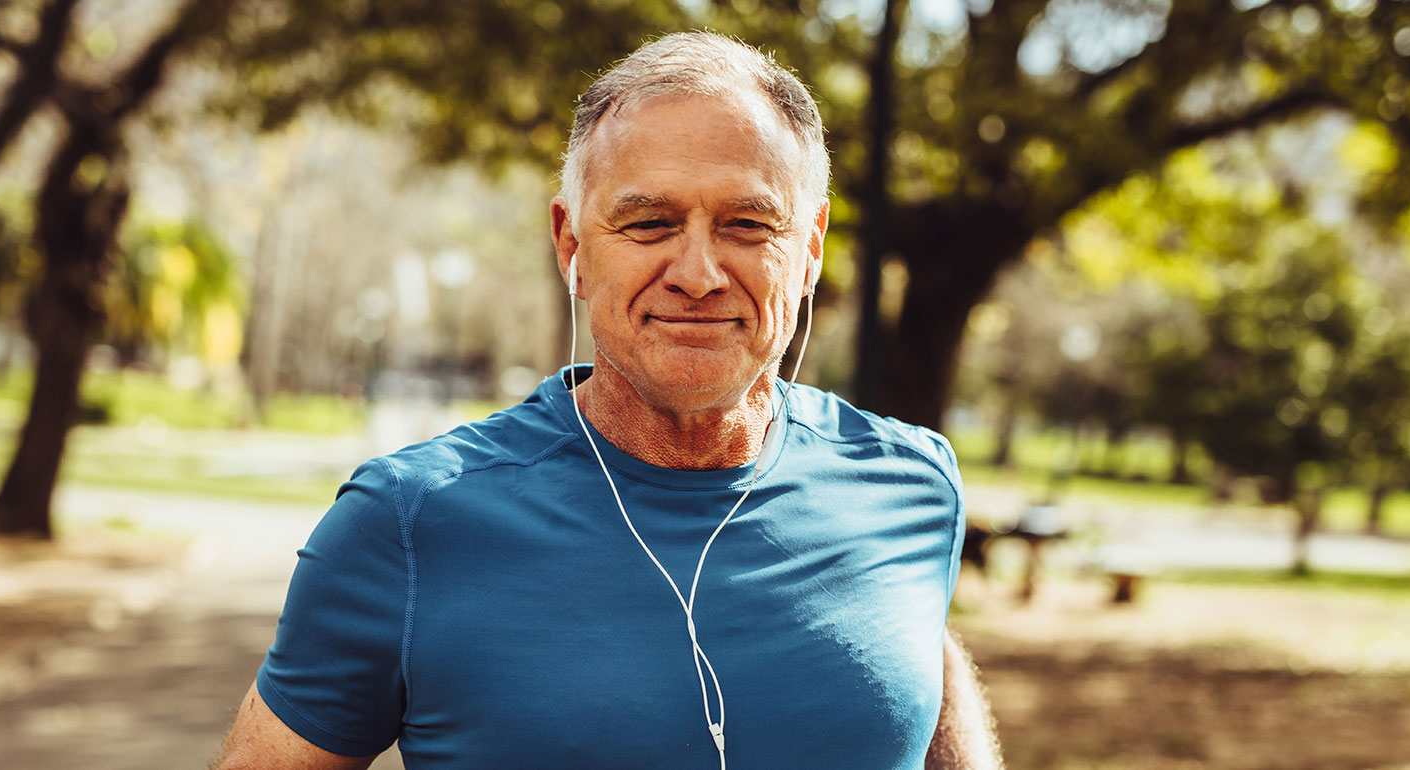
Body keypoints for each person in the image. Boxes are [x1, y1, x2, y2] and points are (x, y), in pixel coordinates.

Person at [213, 31, 1001, 770]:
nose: (698, 273)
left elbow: (910, 669)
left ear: (811, 250)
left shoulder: (911, 481)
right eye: (650, 222)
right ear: (572, 246)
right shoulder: (405, 522)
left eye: (748, 223)